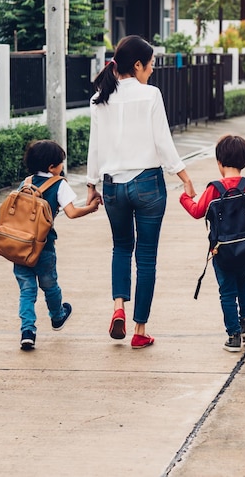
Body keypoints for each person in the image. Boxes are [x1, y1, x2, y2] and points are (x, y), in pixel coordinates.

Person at [86, 35, 196, 349]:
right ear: (137, 65)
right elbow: (163, 142)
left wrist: (92, 185)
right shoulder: (150, 95)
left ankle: (118, 308)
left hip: (112, 187)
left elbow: (96, 147)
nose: (152, 71)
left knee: (121, 248)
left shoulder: (99, 99)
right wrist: (184, 177)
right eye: (150, 65)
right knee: (146, 258)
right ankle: (140, 329)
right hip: (148, 184)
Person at [180, 134, 245, 352]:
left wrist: (185, 197)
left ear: (219, 162)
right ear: (244, 160)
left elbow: (197, 212)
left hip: (222, 251)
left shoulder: (214, 189)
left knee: (227, 291)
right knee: (244, 283)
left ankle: (233, 336)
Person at [15, 139, 101, 351]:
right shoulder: (58, 183)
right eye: (61, 163)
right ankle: (57, 316)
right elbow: (72, 212)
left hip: (20, 246)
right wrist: (91, 208)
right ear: (52, 166)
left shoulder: (25, 183)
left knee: (27, 290)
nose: (62, 166)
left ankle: (28, 331)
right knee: (50, 285)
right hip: (43, 247)